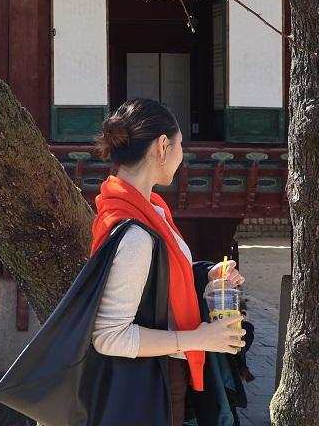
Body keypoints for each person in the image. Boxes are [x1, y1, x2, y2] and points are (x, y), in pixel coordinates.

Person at [90, 98, 247, 426]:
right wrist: (198, 339)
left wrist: (205, 276)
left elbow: (156, 282)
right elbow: (108, 336)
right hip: (145, 387)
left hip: (158, 374)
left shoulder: (148, 209)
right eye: (180, 146)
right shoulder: (134, 233)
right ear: (162, 146)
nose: (181, 156)